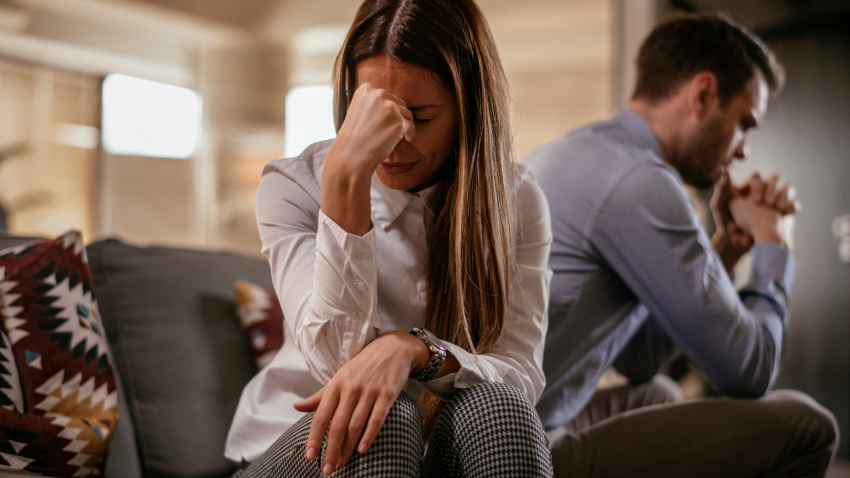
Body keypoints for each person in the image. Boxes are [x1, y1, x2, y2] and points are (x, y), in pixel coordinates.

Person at [224, 0, 555, 476]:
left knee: (501, 409)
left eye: (419, 118)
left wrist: (416, 350)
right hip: (292, 451)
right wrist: (345, 177)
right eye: (376, 114)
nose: (394, 142)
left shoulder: (517, 200)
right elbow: (336, 365)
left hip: (427, 455)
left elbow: (520, 376)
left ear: (468, 111)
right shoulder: (294, 187)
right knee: (381, 420)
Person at [524, 12, 839, 478]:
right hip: (518, 450)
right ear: (703, 94)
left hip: (508, 416)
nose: (744, 148)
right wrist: (776, 244)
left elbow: (639, 359)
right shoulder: (642, 183)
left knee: (658, 394)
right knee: (810, 425)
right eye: (745, 124)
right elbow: (749, 371)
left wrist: (727, 251)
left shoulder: (578, 151)